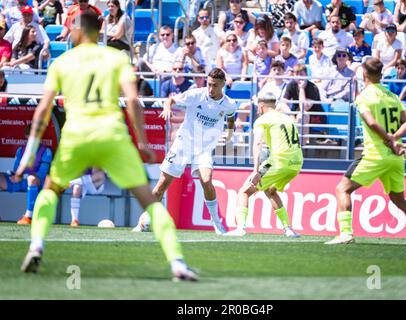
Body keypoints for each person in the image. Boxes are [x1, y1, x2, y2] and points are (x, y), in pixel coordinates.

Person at [16, 12, 198, 281]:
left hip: (76, 136)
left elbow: (43, 109)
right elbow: (134, 101)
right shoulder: (116, 58)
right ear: (100, 30)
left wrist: (29, 153)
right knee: (149, 200)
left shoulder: (63, 61)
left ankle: (36, 246)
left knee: (51, 190)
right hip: (112, 135)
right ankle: (177, 263)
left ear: (77, 29)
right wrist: (143, 143)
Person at [326, 57, 406, 246]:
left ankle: (345, 234)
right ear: (381, 74)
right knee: (399, 199)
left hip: (375, 155)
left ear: (364, 74)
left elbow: (371, 123)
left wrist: (389, 140)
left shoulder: (363, 96)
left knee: (342, 189)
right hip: (396, 158)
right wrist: (396, 139)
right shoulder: (392, 96)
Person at [155, 67, 237, 235]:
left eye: (214, 85)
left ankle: (216, 222)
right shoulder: (196, 95)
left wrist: (229, 134)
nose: (210, 89)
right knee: (162, 185)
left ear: (222, 85)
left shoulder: (229, 104)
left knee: (206, 180)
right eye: (209, 84)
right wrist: (167, 108)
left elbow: (230, 119)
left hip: (204, 149)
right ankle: (146, 219)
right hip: (183, 144)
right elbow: (170, 100)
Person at [225, 91, 303, 237]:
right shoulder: (287, 119)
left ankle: (240, 228)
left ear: (261, 106)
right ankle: (288, 229)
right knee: (270, 190)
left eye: (257, 107)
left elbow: (258, 143)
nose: (256, 110)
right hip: (296, 163)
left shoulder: (262, 120)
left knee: (244, 190)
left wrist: (256, 170)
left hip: (278, 161)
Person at [0, 125, 52, 225]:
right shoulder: (20, 150)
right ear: (26, 136)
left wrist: (21, 176)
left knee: (31, 178)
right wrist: (14, 175)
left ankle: (28, 216)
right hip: (19, 181)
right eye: (31, 136)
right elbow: (16, 169)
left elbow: (41, 173)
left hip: (36, 183)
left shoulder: (46, 151)